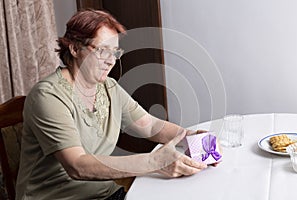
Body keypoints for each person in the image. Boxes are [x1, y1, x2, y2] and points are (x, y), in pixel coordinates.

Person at [16, 9, 208, 200]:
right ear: (74, 48)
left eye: (114, 52)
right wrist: (153, 162)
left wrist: (191, 137)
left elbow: (150, 125)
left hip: (104, 194)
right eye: (102, 50)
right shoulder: (48, 96)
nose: (111, 61)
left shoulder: (109, 88)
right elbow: (77, 165)